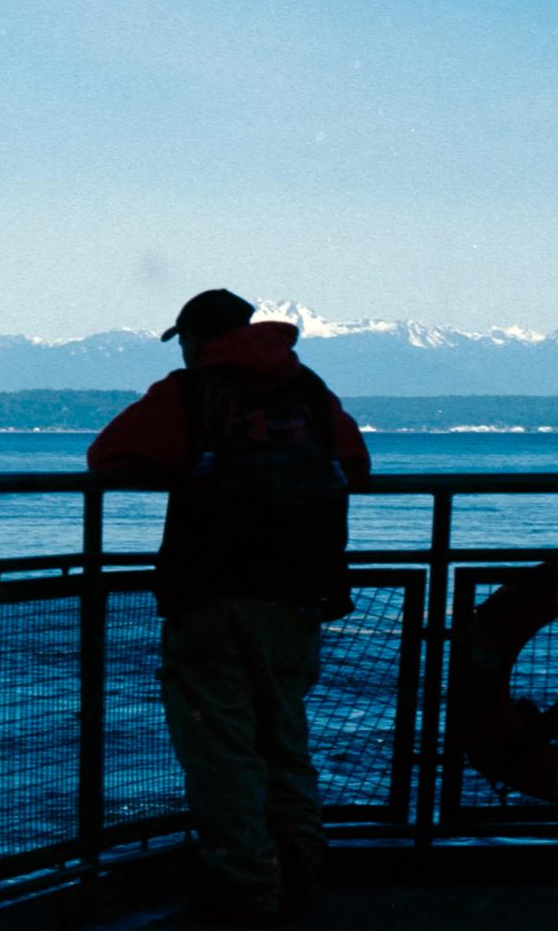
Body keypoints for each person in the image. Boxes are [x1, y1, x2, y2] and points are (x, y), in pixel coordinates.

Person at [87, 289, 370, 924]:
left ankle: (245, 892)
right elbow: (356, 463)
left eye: (184, 339)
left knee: (223, 747)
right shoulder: (308, 388)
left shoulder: (190, 391)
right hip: (300, 588)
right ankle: (300, 874)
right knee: (284, 737)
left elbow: (107, 457)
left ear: (197, 338)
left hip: (213, 589)